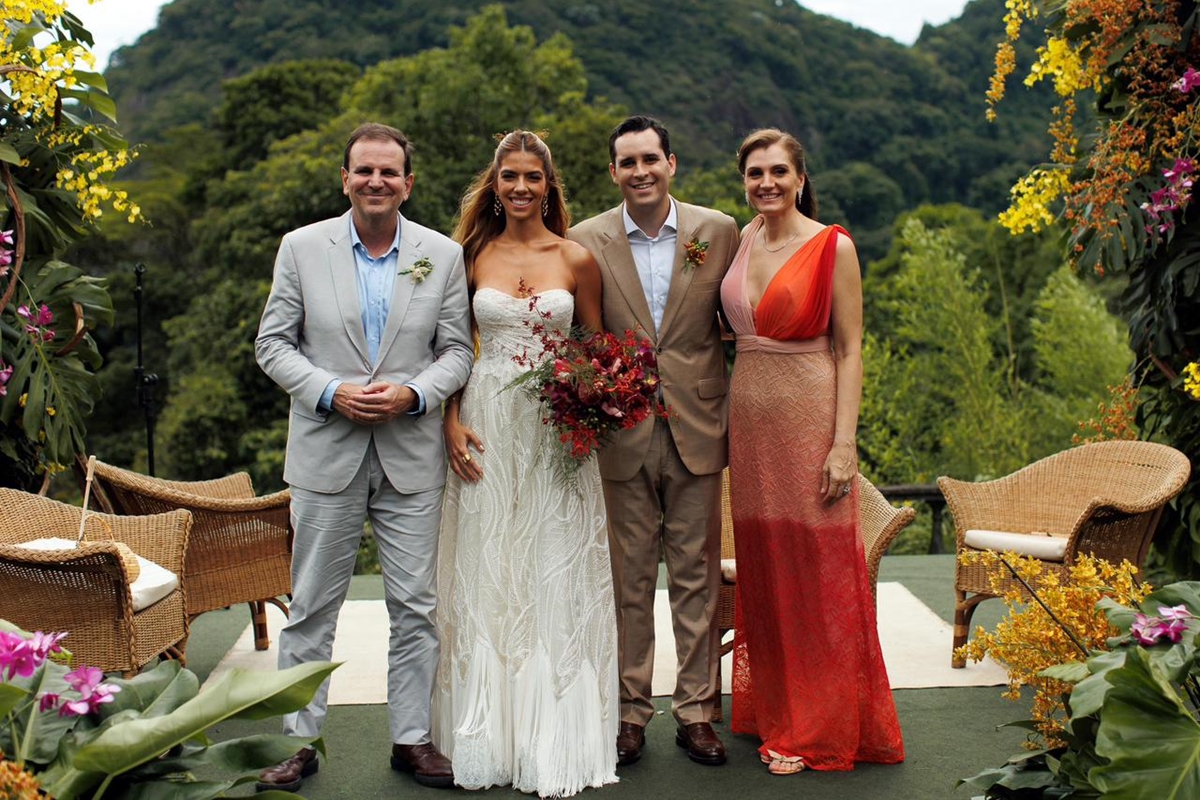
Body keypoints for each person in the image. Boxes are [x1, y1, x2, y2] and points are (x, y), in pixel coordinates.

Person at [255, 122, 474, 792]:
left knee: (416, 605)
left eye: (389, 172)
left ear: (409, 182)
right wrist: (330, 391)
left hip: (411, 456)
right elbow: (273, 345)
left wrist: (412, 394)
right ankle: (298, 743)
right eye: (363, 171)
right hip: (326, 453)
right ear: (344, 178)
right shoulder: (301, 248)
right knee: (314, 605)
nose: (376, 181)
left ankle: (411, 739)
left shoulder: (441, 254)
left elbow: (457, 351)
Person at [431, 130, 618, 797]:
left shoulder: (576, 258)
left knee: (551, 562)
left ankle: (553, 734)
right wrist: (450, 421)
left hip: (555, 436)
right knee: (489, 564)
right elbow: (453, 347)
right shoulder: (469, 255)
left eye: (531, 178)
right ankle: (487, 735)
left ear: (549, 185)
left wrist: (595, 396)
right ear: (495, 182)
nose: (518, 188)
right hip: (485, 423)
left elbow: (597, 349)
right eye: (508, 176)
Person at [719, 128, 904, 774]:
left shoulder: (833, 246)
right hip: (750, 425)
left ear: (800, 178)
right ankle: (777, 709)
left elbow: (850, 348)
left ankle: (817, 728)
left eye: (777, 171)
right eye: (753, 173)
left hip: (810, 420)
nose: (765, 182)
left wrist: (842, 443)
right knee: (768, 565)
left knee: (816, 571)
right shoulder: (740, 240)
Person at [568, 115, 739, 767]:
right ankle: (629, 713)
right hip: (622, 430)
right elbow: (581, 338)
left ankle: (697, 712)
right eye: (627, 162)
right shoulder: (584, 240)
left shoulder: (717, 231)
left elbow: (738, 312)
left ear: (672, 163)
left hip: (698, 425)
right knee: (629, 580)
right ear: (613, 172)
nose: (640, 171)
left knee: (695, 576)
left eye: (650, 159)